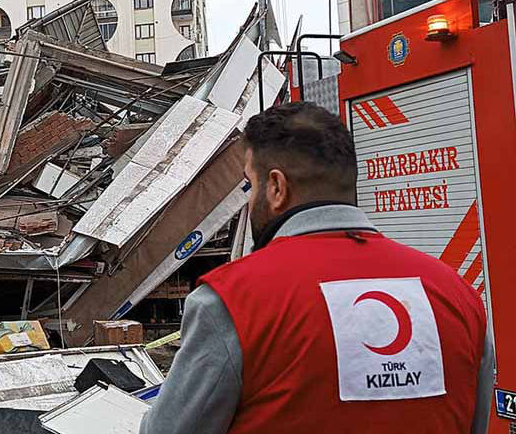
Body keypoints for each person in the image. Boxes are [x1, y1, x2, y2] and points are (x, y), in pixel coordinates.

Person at [139, 102, 493, 434]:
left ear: (276, 187)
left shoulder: (230, 302)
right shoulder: (458, 295)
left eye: (251, 184)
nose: (250, 200)